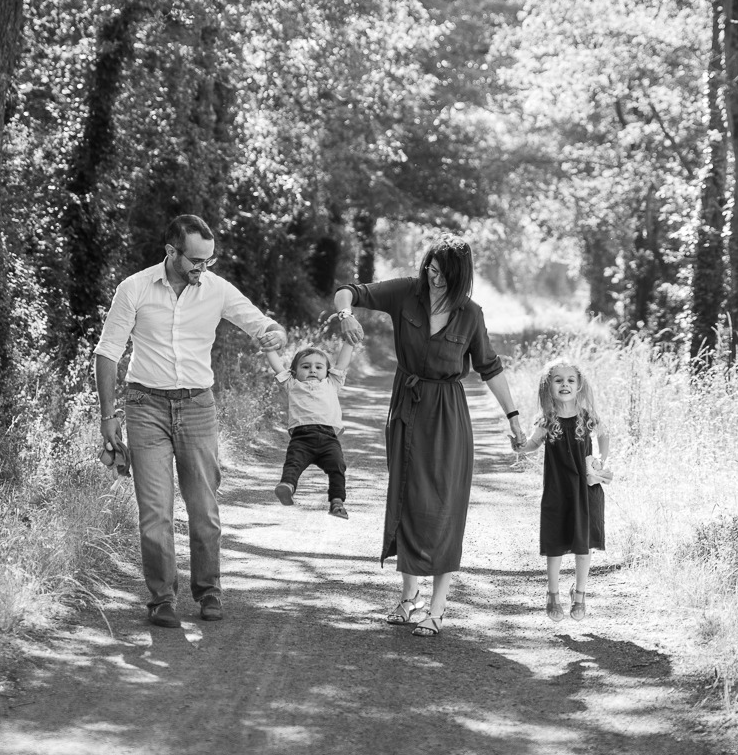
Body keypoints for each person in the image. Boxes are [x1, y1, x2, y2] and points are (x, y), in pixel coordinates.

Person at [95, 214, 288, 628]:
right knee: (155, 511)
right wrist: (107, 416)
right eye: (196, 261)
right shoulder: (134, 288)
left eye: (209, 261)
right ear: (171, 252)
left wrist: (277, 333)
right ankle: (162, 598)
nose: (203, 268)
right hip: (145, 406)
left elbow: (260, 324)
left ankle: (209, 591)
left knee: (203, 509)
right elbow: (107, 352)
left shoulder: (216, 289)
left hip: (199, 407)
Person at [333, 234, 525, 637]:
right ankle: (408, 599)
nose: (433, 277)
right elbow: (349, 292)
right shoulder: (407, 292)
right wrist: (346, 314)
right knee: (406, 495)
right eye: (429, 269)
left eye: (441, 273)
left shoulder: (471, 314)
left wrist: (513, 415)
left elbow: (489, 366)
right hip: (406, 404)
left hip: (446, 415)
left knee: (443, 505)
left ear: (458, 276)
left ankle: (437, 608)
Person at [514, 358, 610, 621]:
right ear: (549, 386)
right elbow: (533, 444)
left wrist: (602, 459)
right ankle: (553, 594)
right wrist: (520, 446)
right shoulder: (547, 419)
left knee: (583, 546)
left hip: (585, 489)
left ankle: (579, 594)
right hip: (557, 490)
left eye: (570, 380)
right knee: (555, 543)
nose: (564, 384)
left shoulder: (586, 416)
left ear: (579, 386)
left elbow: (604, 433)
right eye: (558, 380)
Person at [263, 341, 355, 518]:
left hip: (329, 439)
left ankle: (337, 502)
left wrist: (349, 343)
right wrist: (269, 350)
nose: (312, 370)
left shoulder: (331, 383)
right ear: (295, 372)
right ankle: (287, 487)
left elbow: (342, 363)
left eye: (318, 367)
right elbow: (278, 367)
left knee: (338, 467)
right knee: (293, 464)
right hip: (301, 438)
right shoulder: (293, 384)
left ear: (327, 371)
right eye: (306, 366)